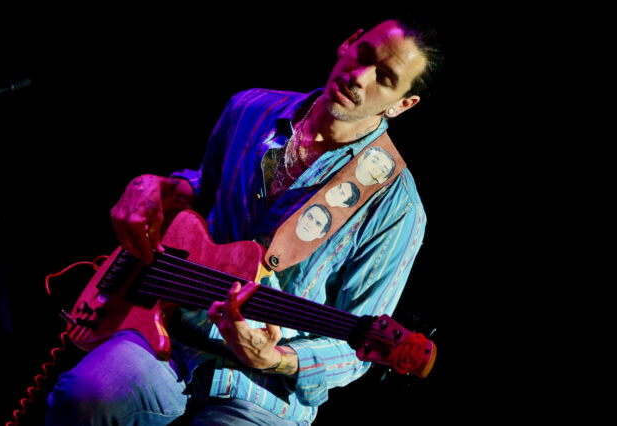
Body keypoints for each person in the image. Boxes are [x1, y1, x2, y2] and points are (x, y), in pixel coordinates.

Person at [45, 17, 443, 425]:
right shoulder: (250, 108)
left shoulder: (399, 209)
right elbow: (204, 191)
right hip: (170, 327)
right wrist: (152, 185)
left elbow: (353, 353)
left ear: (402, 104)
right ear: (349, 41)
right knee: (82, 397)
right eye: (363, 54)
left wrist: (276, 358)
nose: (359, 76)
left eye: (384, 78)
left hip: (266, 390)